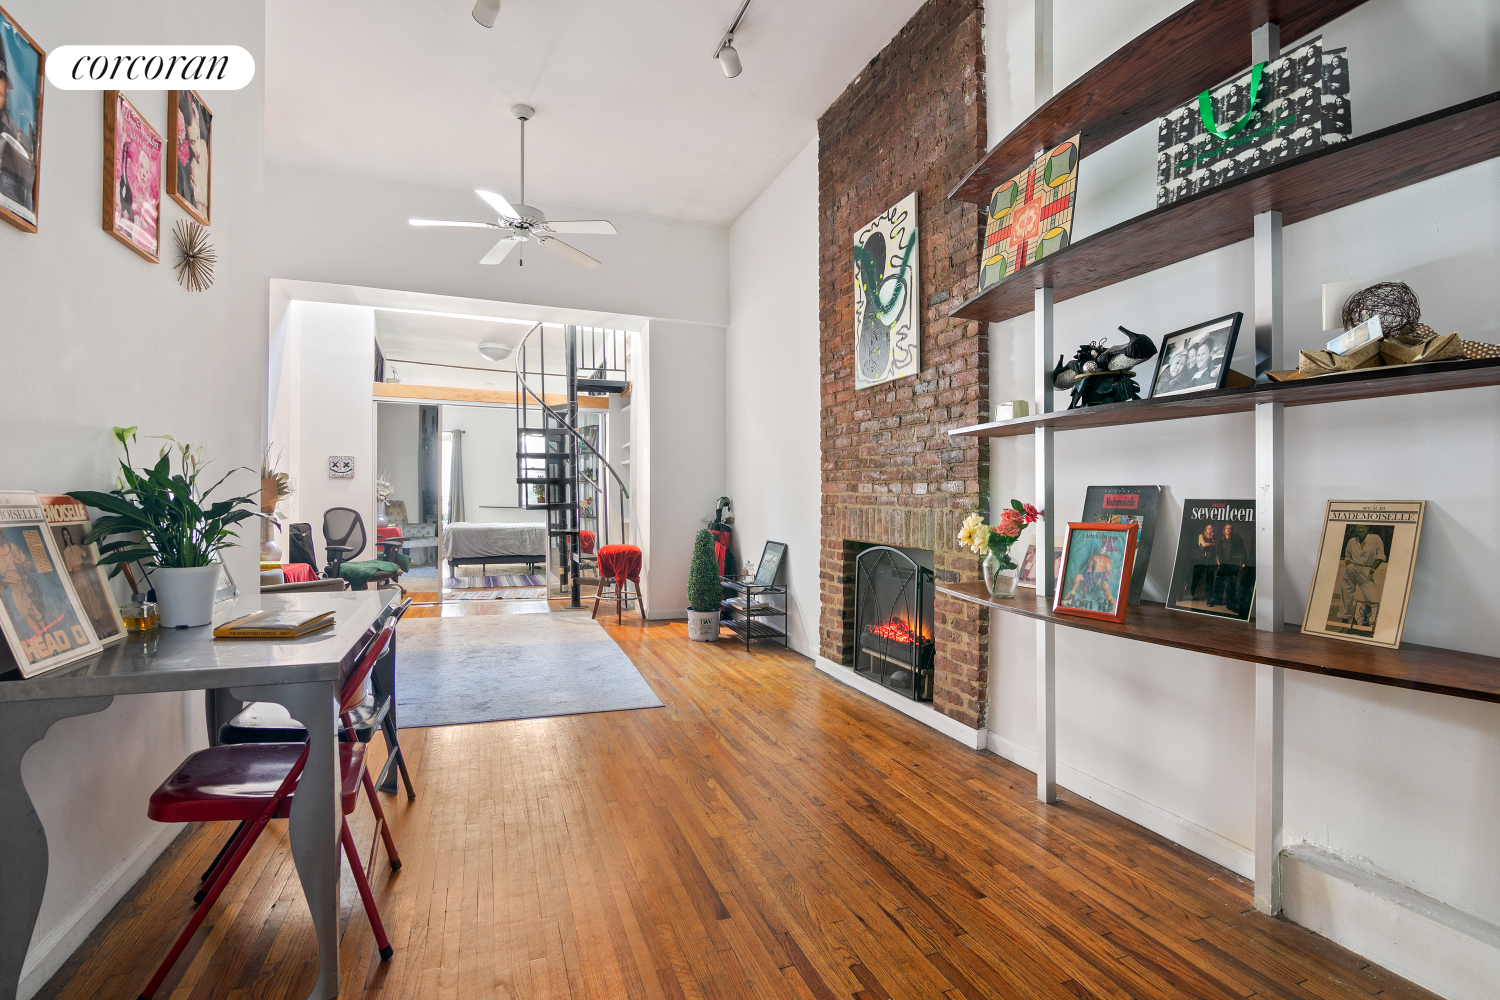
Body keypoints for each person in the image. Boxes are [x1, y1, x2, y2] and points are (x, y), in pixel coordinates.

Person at [1339, 524, 1386, 626]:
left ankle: (1366, 625)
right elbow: (1347, 556)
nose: (1360, 529)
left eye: (1363, 527)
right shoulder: (1352, 541)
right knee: (1346, 598)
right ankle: (1344, 626)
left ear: (1367, 528)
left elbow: (1381, 556)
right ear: (1355, 528)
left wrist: (1371, 571)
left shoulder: (1375, 539)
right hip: (1351, 570)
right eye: (1358, 527)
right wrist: (1348, 567)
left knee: (1372, 599)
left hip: (1366, 571)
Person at [1214, 522, 1249, 614]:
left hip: (1232, 565)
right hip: (1223, 564)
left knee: (1231, 585)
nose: (1228, 530)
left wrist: (1244, 562)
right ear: (1224, 530)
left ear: (1231, 530)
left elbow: (1242, 550)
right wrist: (1218, 563)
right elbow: (1217, 552)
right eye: (1226, 528)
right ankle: (1217, 600)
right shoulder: (1221, 540)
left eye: (1230, 528)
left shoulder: (1237, 539)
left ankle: (1230, 605)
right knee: (1219, 583)